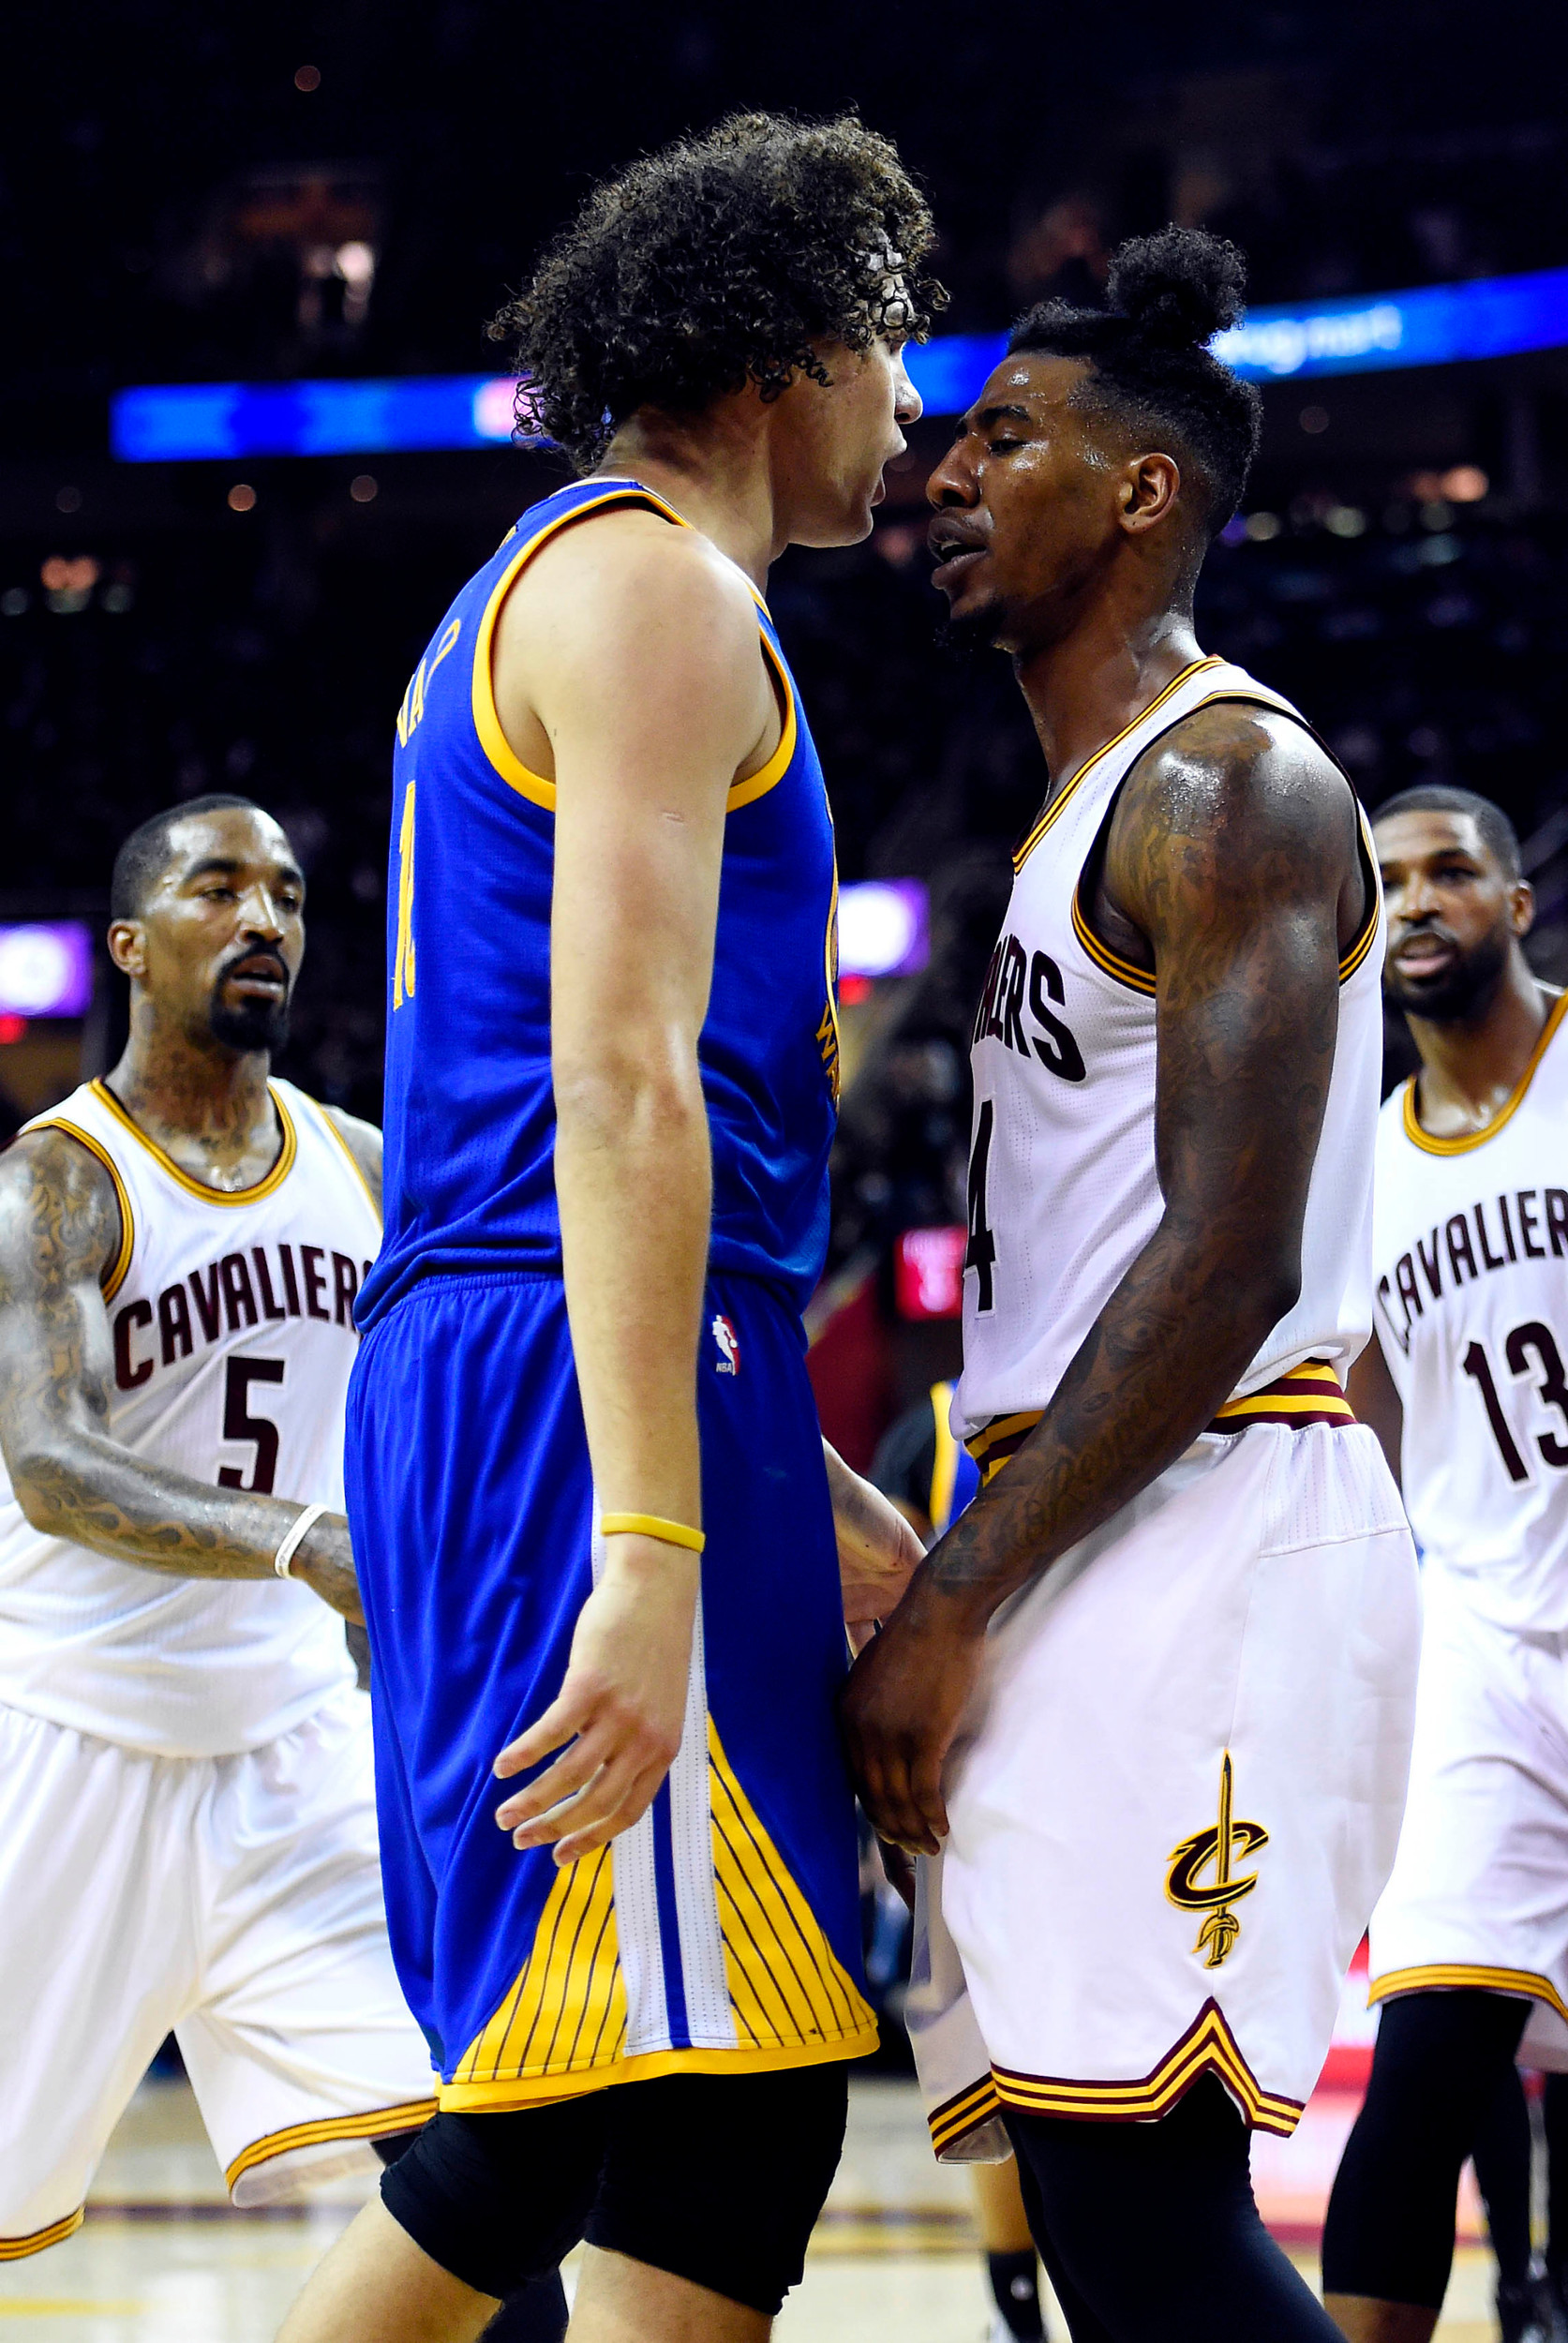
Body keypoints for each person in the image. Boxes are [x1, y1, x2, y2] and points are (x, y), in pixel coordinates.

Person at [277, 113, 932, 2343]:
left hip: (632, 1356)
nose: (913, 405)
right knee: (561, 2098)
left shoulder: (571, 584)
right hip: (575, 1362)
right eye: (892, 344)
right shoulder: (657, 583)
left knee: (737, 2108)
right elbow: (622, 1081)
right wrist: (651, 1550)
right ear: (782, 354)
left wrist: (793, 1491)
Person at [841, 226, 1422, 2342]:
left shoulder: (1229, 786)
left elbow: (1231, 1248)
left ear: (1148, 488)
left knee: (1154, 2216)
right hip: (1107, 1536)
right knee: (1098, 2223)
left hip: (1208, 1539)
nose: (949, 475)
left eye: (1009, 438)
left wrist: (957, 1593)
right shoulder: (1083, 805)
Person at [0, 798, 443, 2248]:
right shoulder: (59, 1179)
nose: (264, 919)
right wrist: (300, 1541)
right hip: (72, 1744)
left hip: (292, 1754)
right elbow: (49, 1464)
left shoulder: (364, 1168)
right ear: (131, 944)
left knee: (463, 2184)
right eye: (220, 890)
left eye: (290, 897)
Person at [1321, 784, 1568, 2343]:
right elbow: (1354, 1424)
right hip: (1482, 1650)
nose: (1414, 901)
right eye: (1386, 881)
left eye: (1446, 872)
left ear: (1516, 901)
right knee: (1425, 2058)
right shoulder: (1357, 1171)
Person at [871, 1385, 1047, 2343]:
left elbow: (874, 1601)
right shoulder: (934, 1420)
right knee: (1012, 2063)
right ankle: (1015, 2303)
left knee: (997, 2065)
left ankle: (1014, 2306)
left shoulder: (933, 1418)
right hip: (966, 1756)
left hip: (970, 1756)